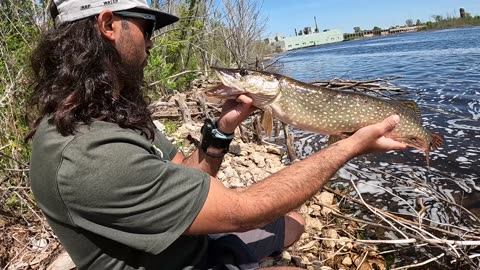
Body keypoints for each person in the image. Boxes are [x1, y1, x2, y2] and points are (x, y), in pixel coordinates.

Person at [27, 1, 407, 269]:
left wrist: (222, 130)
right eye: (146, 26)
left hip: (187, 243)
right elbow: (239, 214)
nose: (151, 41)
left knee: (295, 221)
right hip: (179, 261)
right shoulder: (86, 153)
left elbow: (188, 173)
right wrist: (348, 146)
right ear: (109, 25)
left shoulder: (109, 111)